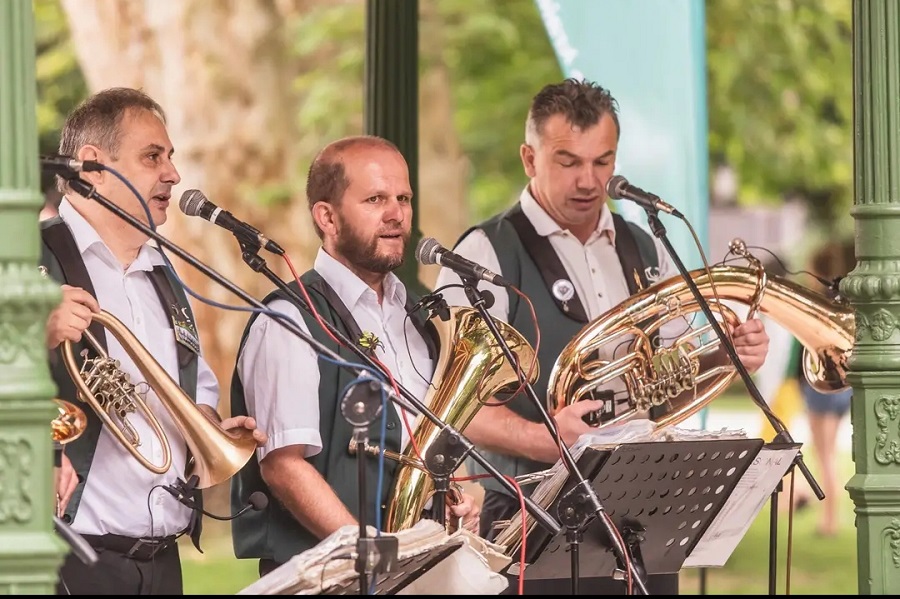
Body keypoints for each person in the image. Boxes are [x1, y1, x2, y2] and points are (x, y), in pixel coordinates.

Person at [434, 78, 771, 594]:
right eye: (568, 161)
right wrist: (545, 441)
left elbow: (667, 383)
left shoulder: (644, 245)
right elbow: (450, 407)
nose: (589, 181)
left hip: (645, 507)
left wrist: (727, 358)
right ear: (529, 158)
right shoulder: (483, 252)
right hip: (533, 514)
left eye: (603, 161)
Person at [42, 87, 266, 595]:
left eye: (171, 158)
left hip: (162, 562)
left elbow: (193, 384)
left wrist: (205, 428)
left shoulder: (163, 273)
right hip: (69, 556)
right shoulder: (27, 256)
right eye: (152, 157)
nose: (173, 174)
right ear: (93, 165)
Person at [230, 135, 479, 578]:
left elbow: (421, 439)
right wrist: (379, 559)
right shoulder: (288, 318)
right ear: (326, 216)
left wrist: (458, 489)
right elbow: (284, 466)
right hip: (327, 578)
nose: (396, 214)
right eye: (375, 199)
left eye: (404, 198)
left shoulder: (416, 317)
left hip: (419, 567)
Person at [799, 239, 855, 536]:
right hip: (842, 388)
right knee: (827, 452)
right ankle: (830, 515)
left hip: (821, 387)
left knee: (824, 454)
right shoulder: (842, 300)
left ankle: (830, 519)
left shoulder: (815, 302)